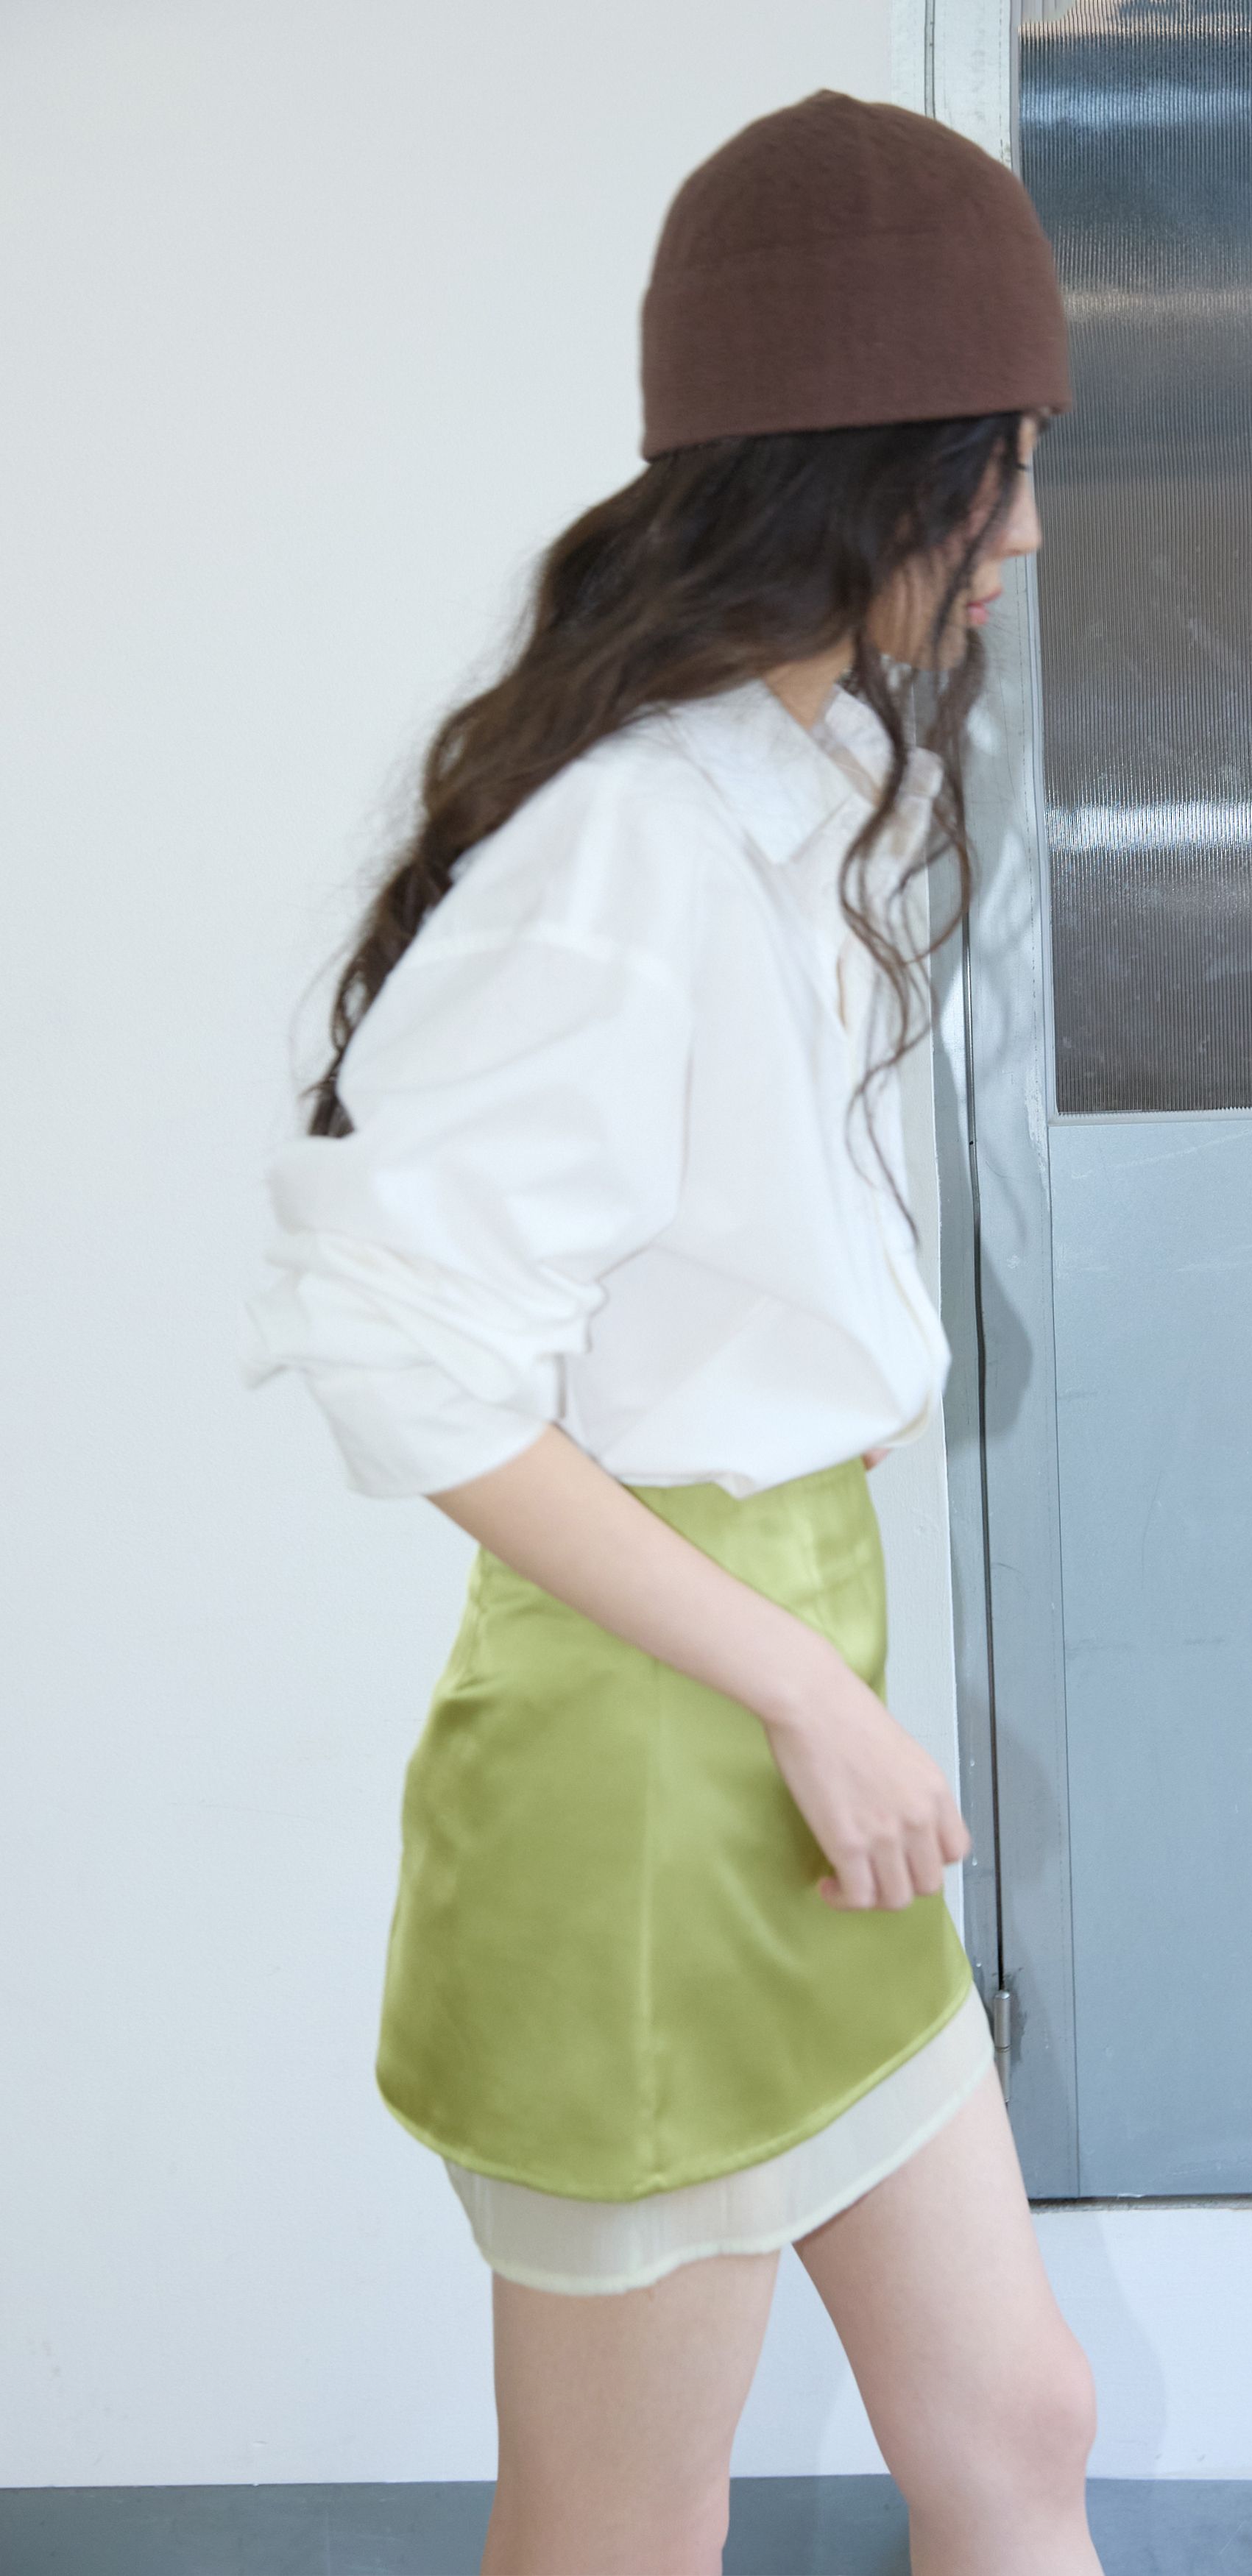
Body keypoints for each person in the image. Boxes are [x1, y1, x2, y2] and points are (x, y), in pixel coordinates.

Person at [243, 88, 1103, 2576]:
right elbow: (402, 1351)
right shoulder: (628, 843)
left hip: (790, 1715)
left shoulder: (786, 788)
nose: (1025, 530)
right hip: (662, 1770)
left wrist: (822, 1686)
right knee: (624, 2526)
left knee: (1015, 2425)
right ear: (862, 469)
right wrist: (808, 1693)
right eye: (997, 465)